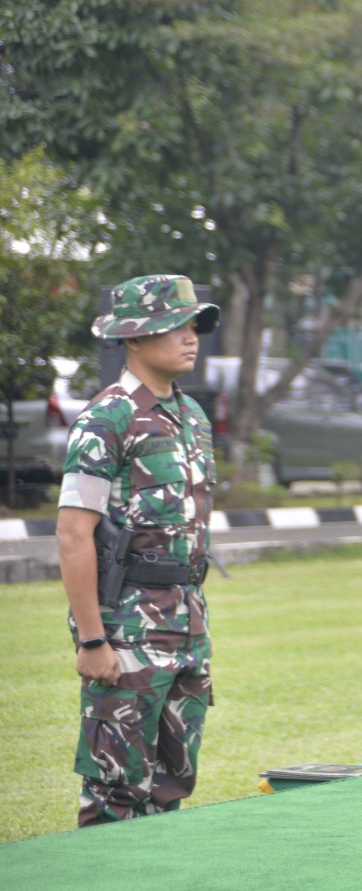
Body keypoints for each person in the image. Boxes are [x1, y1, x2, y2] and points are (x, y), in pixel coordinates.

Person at [56, 275, 220, 827]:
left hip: (187, 622)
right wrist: (93, 638)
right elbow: (75, 533)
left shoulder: (192, 416)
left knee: (172, 786)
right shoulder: (108, 418)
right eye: (175, 326)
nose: (190, 336)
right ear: (132, 337)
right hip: (128, 626)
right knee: (115, 790)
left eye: (194, 324)